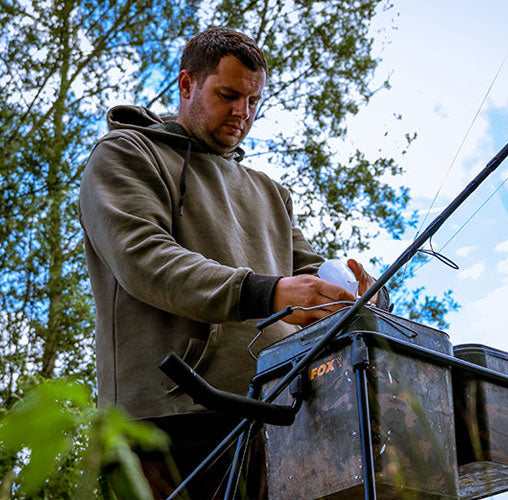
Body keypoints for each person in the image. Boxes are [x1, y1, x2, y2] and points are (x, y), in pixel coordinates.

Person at [79, 27, 388, 499]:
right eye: (228, 95)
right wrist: (267, 293)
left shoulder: (269, 193)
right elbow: (144, 259)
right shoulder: (126, 153)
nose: (242, 113)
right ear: (187, 85)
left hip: (273, 413)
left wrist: (365, 293)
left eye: (254, 100)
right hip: (161, 421)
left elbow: (311, 276)